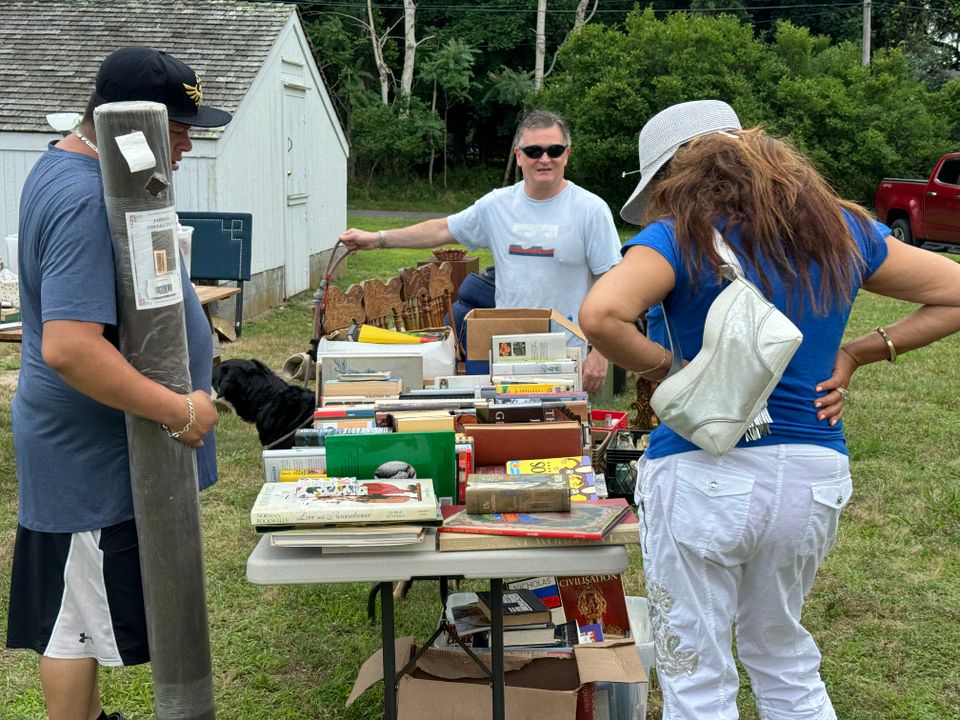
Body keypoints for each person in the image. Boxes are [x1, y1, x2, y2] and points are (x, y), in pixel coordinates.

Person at [578, 99, 960, 719]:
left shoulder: (680, 235)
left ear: (675, 175)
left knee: (696, 672)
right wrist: (862, 352)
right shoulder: (841, 228)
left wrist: (669, 372)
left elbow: (600, 316)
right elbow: (954, 290)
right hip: (811, 474)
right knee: (783, 655)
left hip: (704, 470)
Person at [7, 47, 232, 720]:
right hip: (85, 454)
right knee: (70, 619)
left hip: (86, 446)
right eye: (180, 127)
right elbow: (72, 348)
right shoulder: (82, 200)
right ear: (130, 128)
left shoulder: (72, 166)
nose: (190, 142)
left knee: (73, 610)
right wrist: (177, 411)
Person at [338, 110, 622, 392]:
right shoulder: (497, 206)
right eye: (534, 151)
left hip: (569, 352)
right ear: (519, 155)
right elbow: (441, 230)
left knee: (564, 431)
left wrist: (602, 353)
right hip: (510, 350)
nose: (544, 159)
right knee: (511, 429)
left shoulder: (590, 210)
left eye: (554, 150)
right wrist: (377, 239)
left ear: (567, 154)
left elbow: (614, 286)